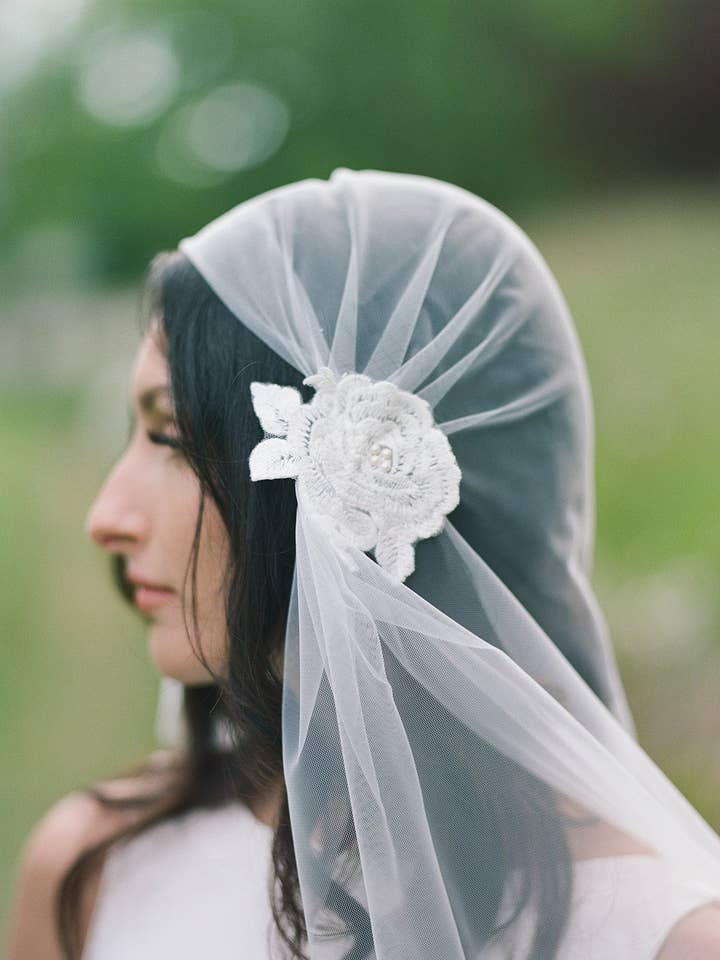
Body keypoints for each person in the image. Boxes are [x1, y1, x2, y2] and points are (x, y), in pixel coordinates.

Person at [6, 169, 720, 960]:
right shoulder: (94, 871)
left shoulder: (662, 937)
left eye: (171, 436)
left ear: (331, 472)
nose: (105, 517)